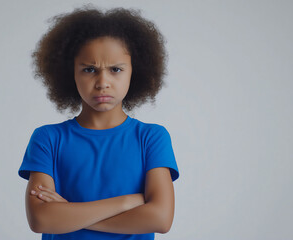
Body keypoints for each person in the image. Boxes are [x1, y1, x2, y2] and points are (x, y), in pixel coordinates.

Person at [18, 4, 180, 240]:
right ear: (69, 72)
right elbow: (41, 219)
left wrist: (69, 215)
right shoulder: (48, 139)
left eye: (115, 69)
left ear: (135, 71)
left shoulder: (151, 138)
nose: (103, 82)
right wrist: (128, 202)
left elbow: (160, 219)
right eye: (89, 69)